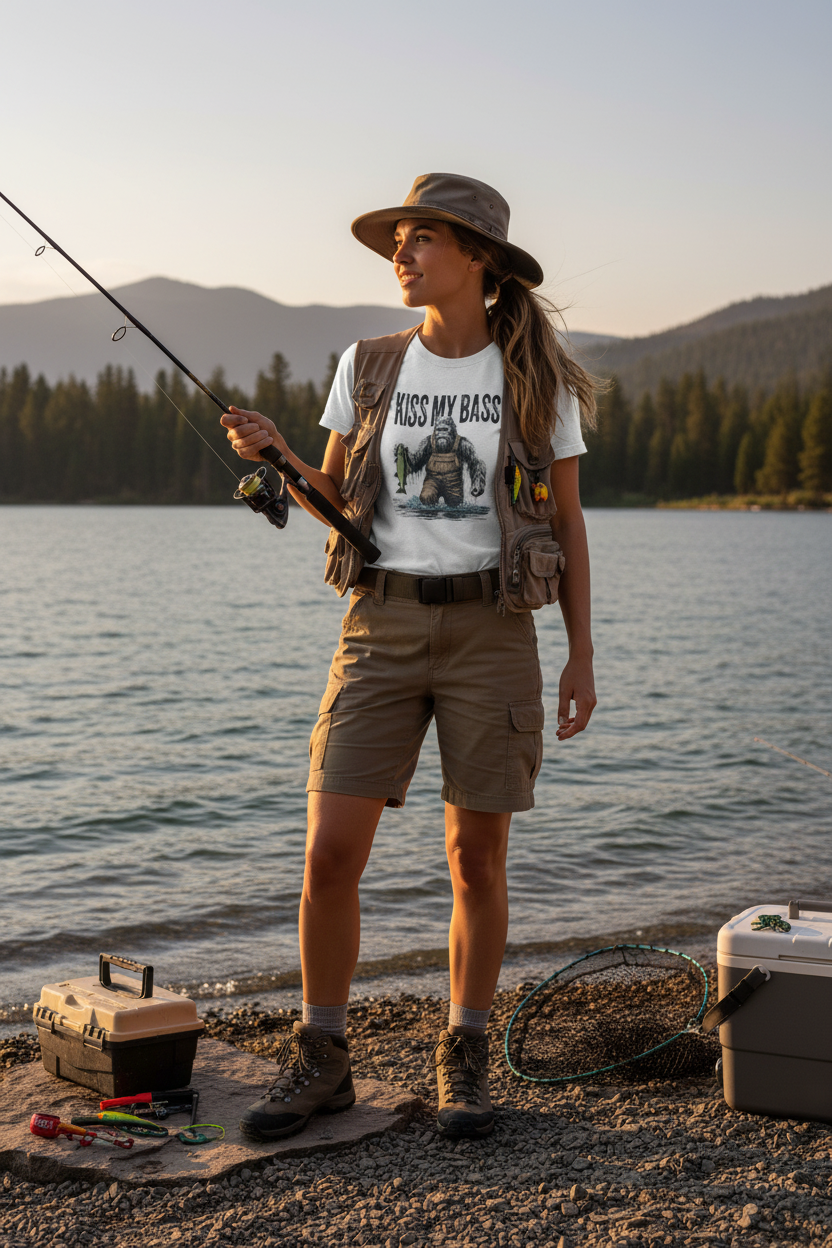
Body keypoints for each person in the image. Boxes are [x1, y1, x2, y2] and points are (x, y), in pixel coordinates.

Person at [222, 172, 598, 1141]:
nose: (402, 252)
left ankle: (463, 1056)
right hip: (377, 628)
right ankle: (322, 1060)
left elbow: (567, 521)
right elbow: (333, 495)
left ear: (479, 260)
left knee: (476, 859)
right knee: (329, 854)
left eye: (423, 238)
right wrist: (278, 456)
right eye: (398, 238)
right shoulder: (370, 362)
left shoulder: (534, 378)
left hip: (493, 633)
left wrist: (579, 654)